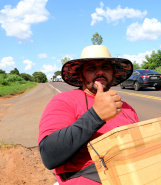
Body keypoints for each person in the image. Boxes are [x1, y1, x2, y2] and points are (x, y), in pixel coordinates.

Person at [38, 45, 139, 185]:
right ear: (81, 75)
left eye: (106, 67)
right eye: (91, 68)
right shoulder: (65, 101)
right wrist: (95, 116)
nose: (100, 72)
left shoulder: (126, 108)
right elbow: (49, 155)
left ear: (113, 73)